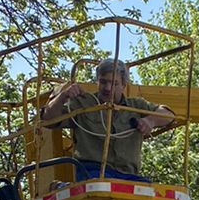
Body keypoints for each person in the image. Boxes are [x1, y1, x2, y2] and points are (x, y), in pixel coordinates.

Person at [39, 57, 177, 181]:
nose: (107, 88)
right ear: (97, 81)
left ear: (124, 85)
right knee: (101, 186)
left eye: (114, 83)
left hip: (128, 174)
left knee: (148, 192)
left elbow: (169, 115)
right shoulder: (84, 103)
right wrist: (63, 96)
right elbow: (47, 119)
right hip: (92, 172)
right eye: (103, 82)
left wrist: (150, 120)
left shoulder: (136, 106)